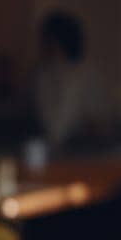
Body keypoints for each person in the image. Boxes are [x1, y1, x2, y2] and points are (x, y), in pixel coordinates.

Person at [32, 9, 90, 150]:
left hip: (80, 151)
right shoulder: (41, 74)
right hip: (48, 149)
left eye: (49, 40)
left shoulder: (83, 74)